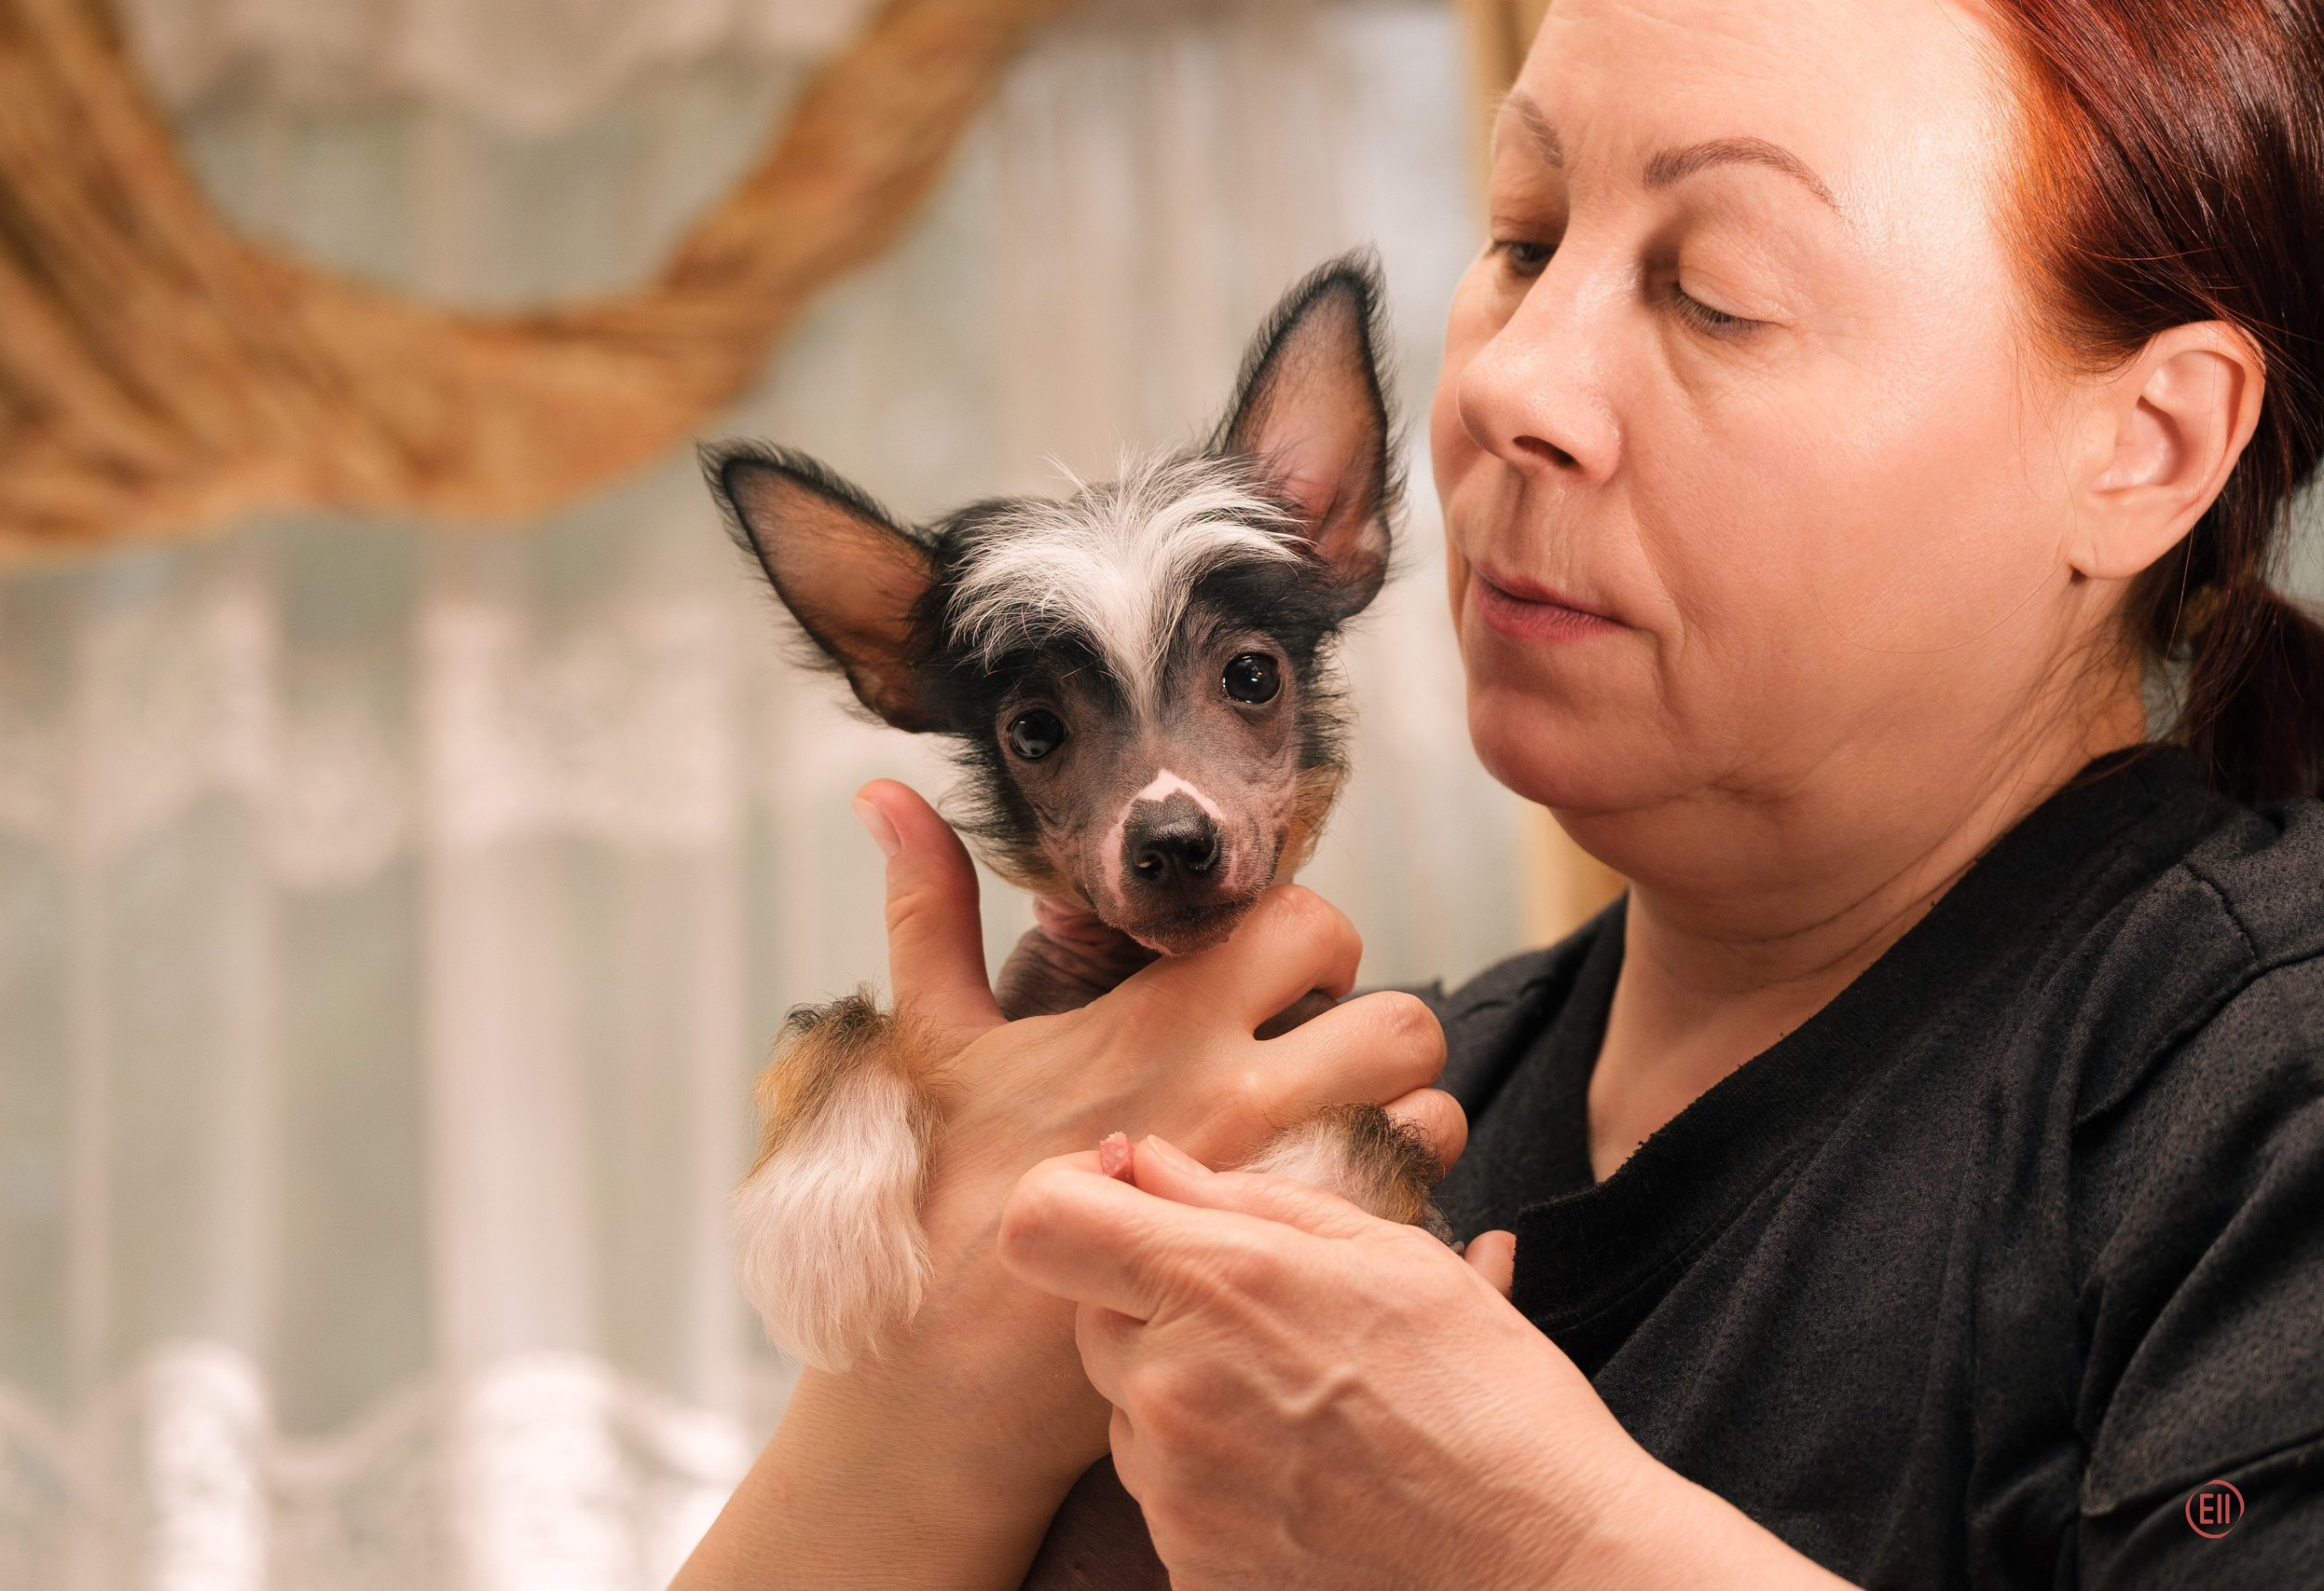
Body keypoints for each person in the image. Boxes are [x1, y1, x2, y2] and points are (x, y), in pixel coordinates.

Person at [673, 0, 2324, 1584]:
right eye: (1523, 237)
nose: (1506, 382)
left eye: (1717, 290)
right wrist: (927, 1396)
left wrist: (1529, 1545)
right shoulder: (1363, 1086)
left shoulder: (2253, 1075)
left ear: (2150, 447)